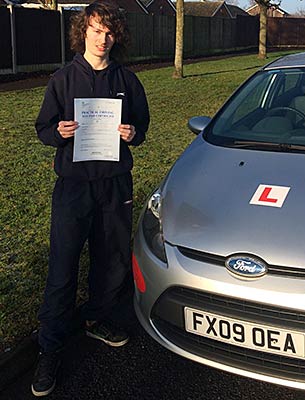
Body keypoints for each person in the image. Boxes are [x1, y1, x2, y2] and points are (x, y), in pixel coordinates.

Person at [32, 0, 150, 396]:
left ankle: (96, 319)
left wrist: (133, 134)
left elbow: (142, 125)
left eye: (110, 32)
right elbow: (43, 127)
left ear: (118, 37)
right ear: (83, 31)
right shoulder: (63, 80)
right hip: (74, 186)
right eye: (97, 30)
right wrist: (58, 133)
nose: (103, 38)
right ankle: (50, 347)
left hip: (114, 186)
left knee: (112, 260)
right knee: (62, 266)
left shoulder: (127, 80)